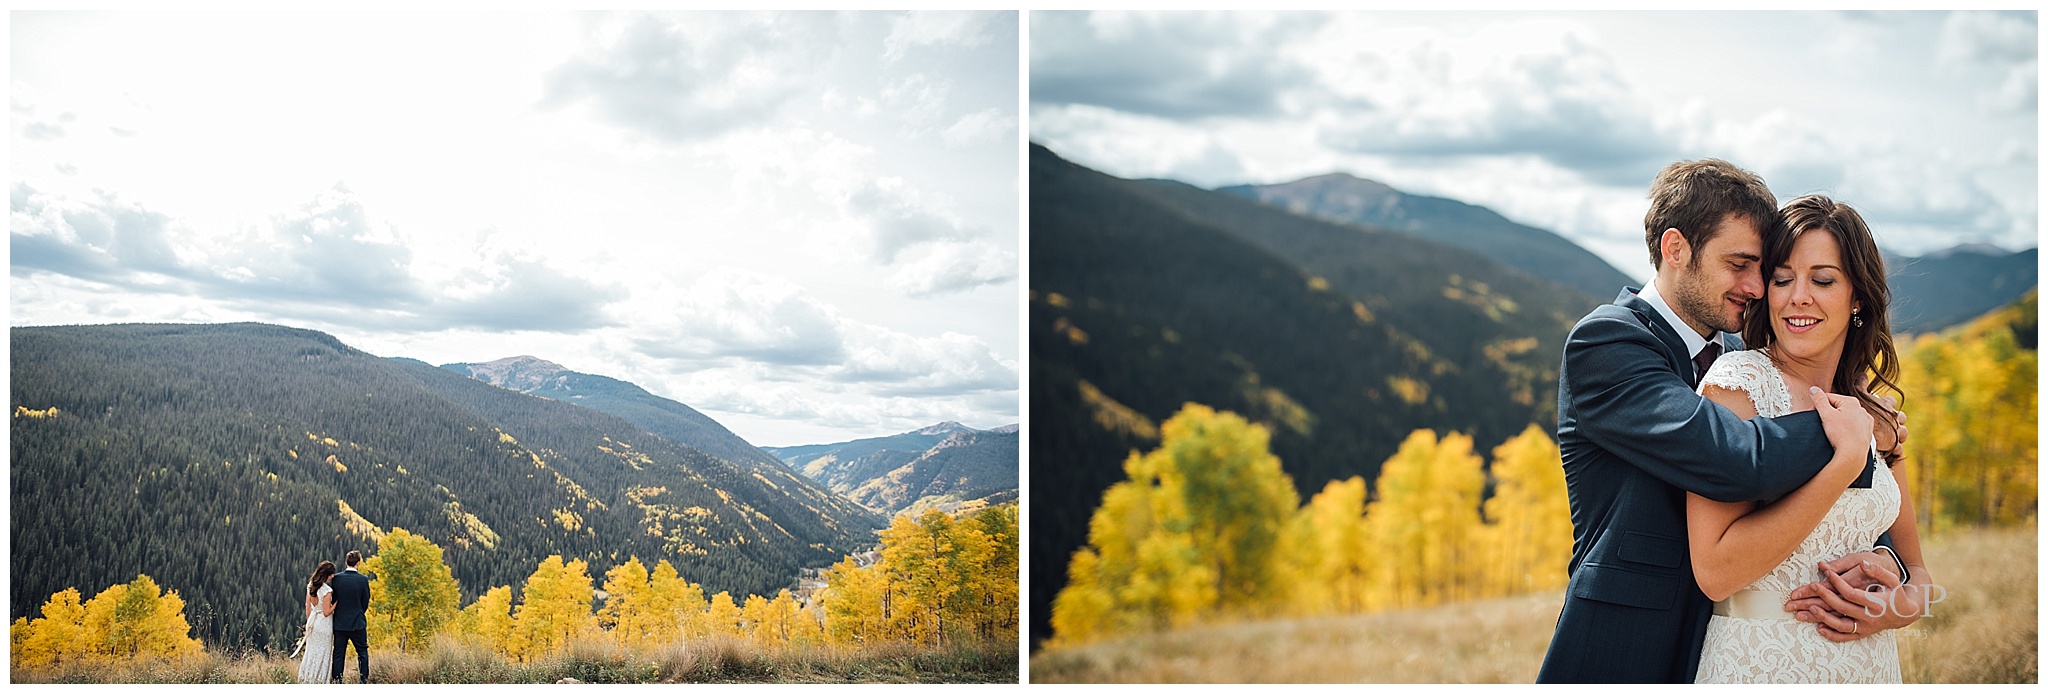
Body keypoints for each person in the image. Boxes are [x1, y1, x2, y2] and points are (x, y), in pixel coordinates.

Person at [1535, 159, 1909, 683]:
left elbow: (1824, 517)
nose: (1758, 287)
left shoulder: (1738, 352)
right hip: (1627, 648)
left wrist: (1893, 565)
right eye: (1740, 264)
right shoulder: (1608, 343)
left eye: (1763, 270)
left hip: (1731, 642)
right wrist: (1862, 430)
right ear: (1676, 249)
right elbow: (1736, 457)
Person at [1686, 195, 1929, 682]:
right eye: (1782, 279)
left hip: (1870, 666)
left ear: (1857, 296)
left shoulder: (1875, 411)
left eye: (1822, 280)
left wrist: (1897, 607)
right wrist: (1843, 464)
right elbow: (1714, 571)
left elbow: (1918, 574)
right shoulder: (1737, 387)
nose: (1799, 296)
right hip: (1761, 663)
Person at [328, 550, 373, 683]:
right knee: (362, 653)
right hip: (357, 622)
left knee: (338, 654)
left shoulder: (336, 579)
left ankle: (337, 681)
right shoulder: (363, 580)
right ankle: (363, 681)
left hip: (340, 622)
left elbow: (334, 599)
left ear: (346, 562)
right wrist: (358, 612)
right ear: (358, 563)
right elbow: (365, 601)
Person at [296, 561, 338, 684]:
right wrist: (336, 603)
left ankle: (307, 678)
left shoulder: (311, 585)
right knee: (323, 653)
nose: (333, 577)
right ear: (326, 575)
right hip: (324, 624)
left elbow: (307, 606)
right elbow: (326, 612)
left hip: (313, 622)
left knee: (311, 652)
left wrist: (309, 623)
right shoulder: (327, 590)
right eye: (331, 574)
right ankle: (319, 680)